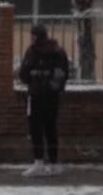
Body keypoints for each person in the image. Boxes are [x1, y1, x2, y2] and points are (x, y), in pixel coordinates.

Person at [18, 23, 70, 177]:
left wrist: (35, 82)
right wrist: (53, 86)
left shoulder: (32, 51)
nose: (32, 38)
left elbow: (23, 74)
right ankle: (53, 163)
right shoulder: (58, 51)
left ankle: (39, 162)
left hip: (35, 95)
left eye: (33, 35)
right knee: (50, 128)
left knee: (36, 129)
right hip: (52, 96)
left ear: (36, 36)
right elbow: (63, 73)